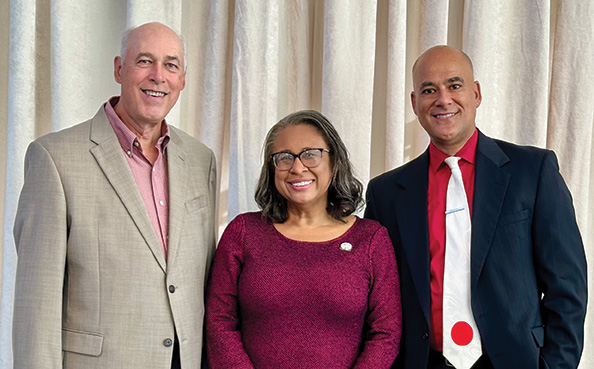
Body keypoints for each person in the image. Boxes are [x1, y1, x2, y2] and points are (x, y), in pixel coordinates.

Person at [365, 45, 587, 369]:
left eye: (454, 85)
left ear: (476, 93)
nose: (443, 99)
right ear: (415, 103)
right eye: (429, 90)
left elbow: (567, 289)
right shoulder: (386, 193)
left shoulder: (533, 171)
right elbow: (380, 302)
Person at [12, 22, 217, 369]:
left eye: (171, 65)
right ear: (119, 69)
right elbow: (36, 302)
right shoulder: (55, 158)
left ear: (182, 79)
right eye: (144, 61)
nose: (158, 76)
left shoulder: (201, 160)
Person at [205, 110, 402, 368]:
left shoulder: (372, 239)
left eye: (311, 154)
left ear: (334, 161)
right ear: (272, 168)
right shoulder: (243, 232)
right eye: (284, 158)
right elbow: (220, 322)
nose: (297, 167)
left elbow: (386, 334)